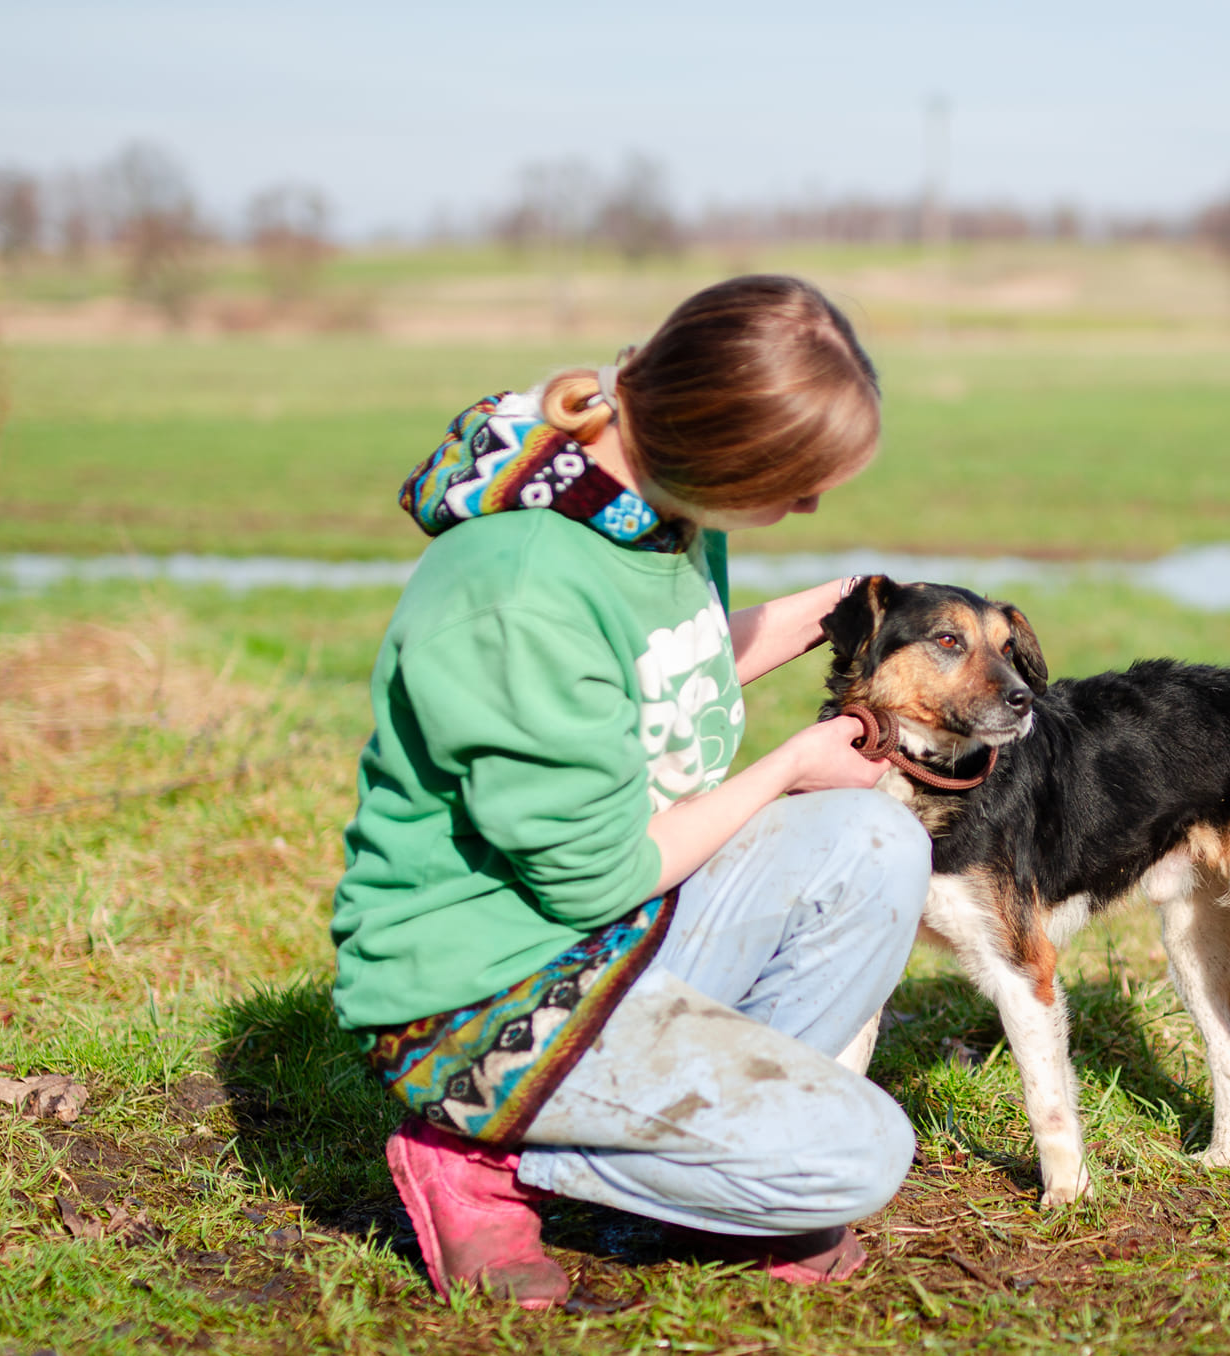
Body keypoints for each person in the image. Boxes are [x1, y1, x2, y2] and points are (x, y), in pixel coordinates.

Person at [330, 275, 931, 1307]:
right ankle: (473, 1154)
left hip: (621, 926)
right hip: (487, 992)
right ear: (716, 456)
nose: (809, 507)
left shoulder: (657, 514)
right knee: (861, 1157)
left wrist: (840, 610)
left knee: (873, 842)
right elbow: (594, 876)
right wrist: (789, 765)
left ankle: (716, 1173)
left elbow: (652, 677)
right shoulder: (522, 590)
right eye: (794, 484)